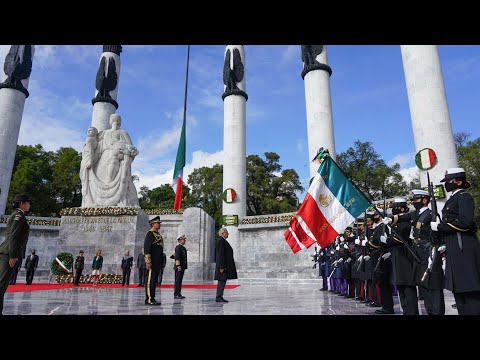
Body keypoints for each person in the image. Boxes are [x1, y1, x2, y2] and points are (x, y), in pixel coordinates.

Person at [431, 167, 480, 315]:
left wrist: (440, 226)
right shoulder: (452, 199)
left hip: (463, 246)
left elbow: (465, 222)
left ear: (458, 181)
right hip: (453, 246)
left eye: (448, 181)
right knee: (458, 289)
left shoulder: (464, 197)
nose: (446, 184)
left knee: (469, 288)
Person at [0, 194, 31, 315]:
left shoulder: (19, 215)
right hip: (8, 253)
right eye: (28, 202)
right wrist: (13, 255)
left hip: (8, 252)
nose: (29, 205)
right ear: (21, 203)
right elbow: (13, 236)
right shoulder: (18, 216)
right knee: (1, 285)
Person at [144, 216, 164, 305]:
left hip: (157, 262)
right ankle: (149, 299)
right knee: (150, 280)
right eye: (158, 223)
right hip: (152, 262)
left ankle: (153, 298)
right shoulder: (150, 234)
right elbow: (147, 248)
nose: (159, 224)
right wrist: (148, 261)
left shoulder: (158, 234)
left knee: (154, 280)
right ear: (153, 224)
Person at [215, 228, 237, 302]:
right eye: (226, 232)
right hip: (222, 266)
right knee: (221, 281)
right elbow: (221, 254)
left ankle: (220, 296)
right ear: (223, 233)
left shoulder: (223, 241)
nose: (228, 234)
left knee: (223, 281)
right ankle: (218, 297)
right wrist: (221, 266)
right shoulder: (221, 241)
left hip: (224, 266)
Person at [173, 235, 188, 299]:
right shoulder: (178, 247)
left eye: (184, 240)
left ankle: (179, 293)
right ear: (180, 240)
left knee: (180, 280)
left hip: (182, 266)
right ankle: (176, 294)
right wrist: (178, 265)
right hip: (179, 267)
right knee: (177, 281)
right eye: (183, 240)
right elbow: (177, 257)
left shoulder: (183, 248)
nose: (184, 241)